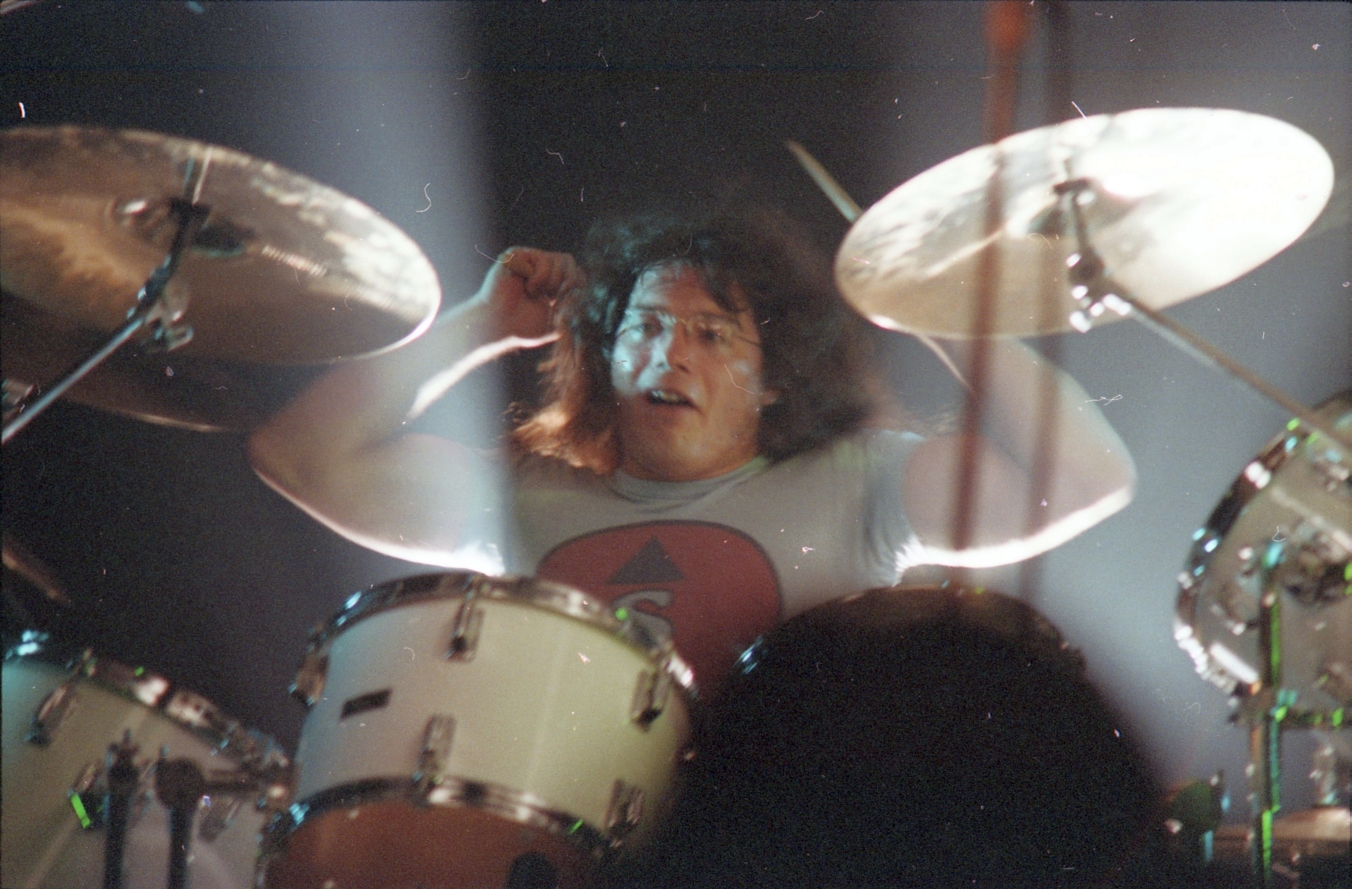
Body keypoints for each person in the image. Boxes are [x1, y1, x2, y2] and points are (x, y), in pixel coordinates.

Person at [248, 207, 1136, 693]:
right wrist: (480, 324)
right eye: (643, 327)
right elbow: (298, 455)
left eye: (711, 334)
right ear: (606, 354)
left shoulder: (860, 479)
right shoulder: (523, 495)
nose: (669, 353)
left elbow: (1088, 479)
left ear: (772, 379)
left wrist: (938, 312)